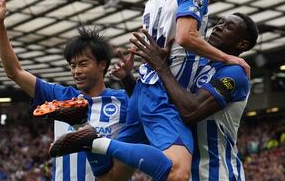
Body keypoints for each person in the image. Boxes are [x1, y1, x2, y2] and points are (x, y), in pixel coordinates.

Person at [50, 12, 259, 181]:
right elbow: (156, 106)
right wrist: (128, 79)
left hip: (214, 173)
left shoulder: (235, 74)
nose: (219, 27)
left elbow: (190, 112)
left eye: (228, 27)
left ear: (241, 44)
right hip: (176, 167)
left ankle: (94, 141)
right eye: (220, 22)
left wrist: (160, 67)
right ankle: (89, 137)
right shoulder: (196, 65)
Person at [0, 0, 131, 181]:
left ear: (102, 65)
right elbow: (15, 72)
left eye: (83, 64)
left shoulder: (123, 101)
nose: (76, 71)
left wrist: (130, 79)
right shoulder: (61, 97)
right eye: (72, 65)